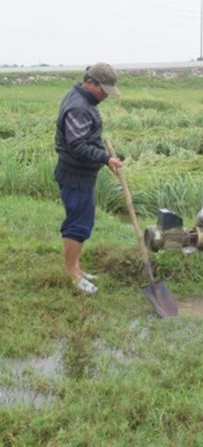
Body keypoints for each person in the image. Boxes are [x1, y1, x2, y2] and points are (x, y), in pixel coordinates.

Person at [54, 62, 123, 294]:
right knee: (78, 224)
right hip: (75, 174)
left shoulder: (83, 98)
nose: (105, 95)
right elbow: (77, 146)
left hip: (81, 173)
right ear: (90, 82)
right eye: (102, 90)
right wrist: (106, 158)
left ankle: (76, 268)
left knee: (83, 219)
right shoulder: (79, 107)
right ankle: (71, 273)